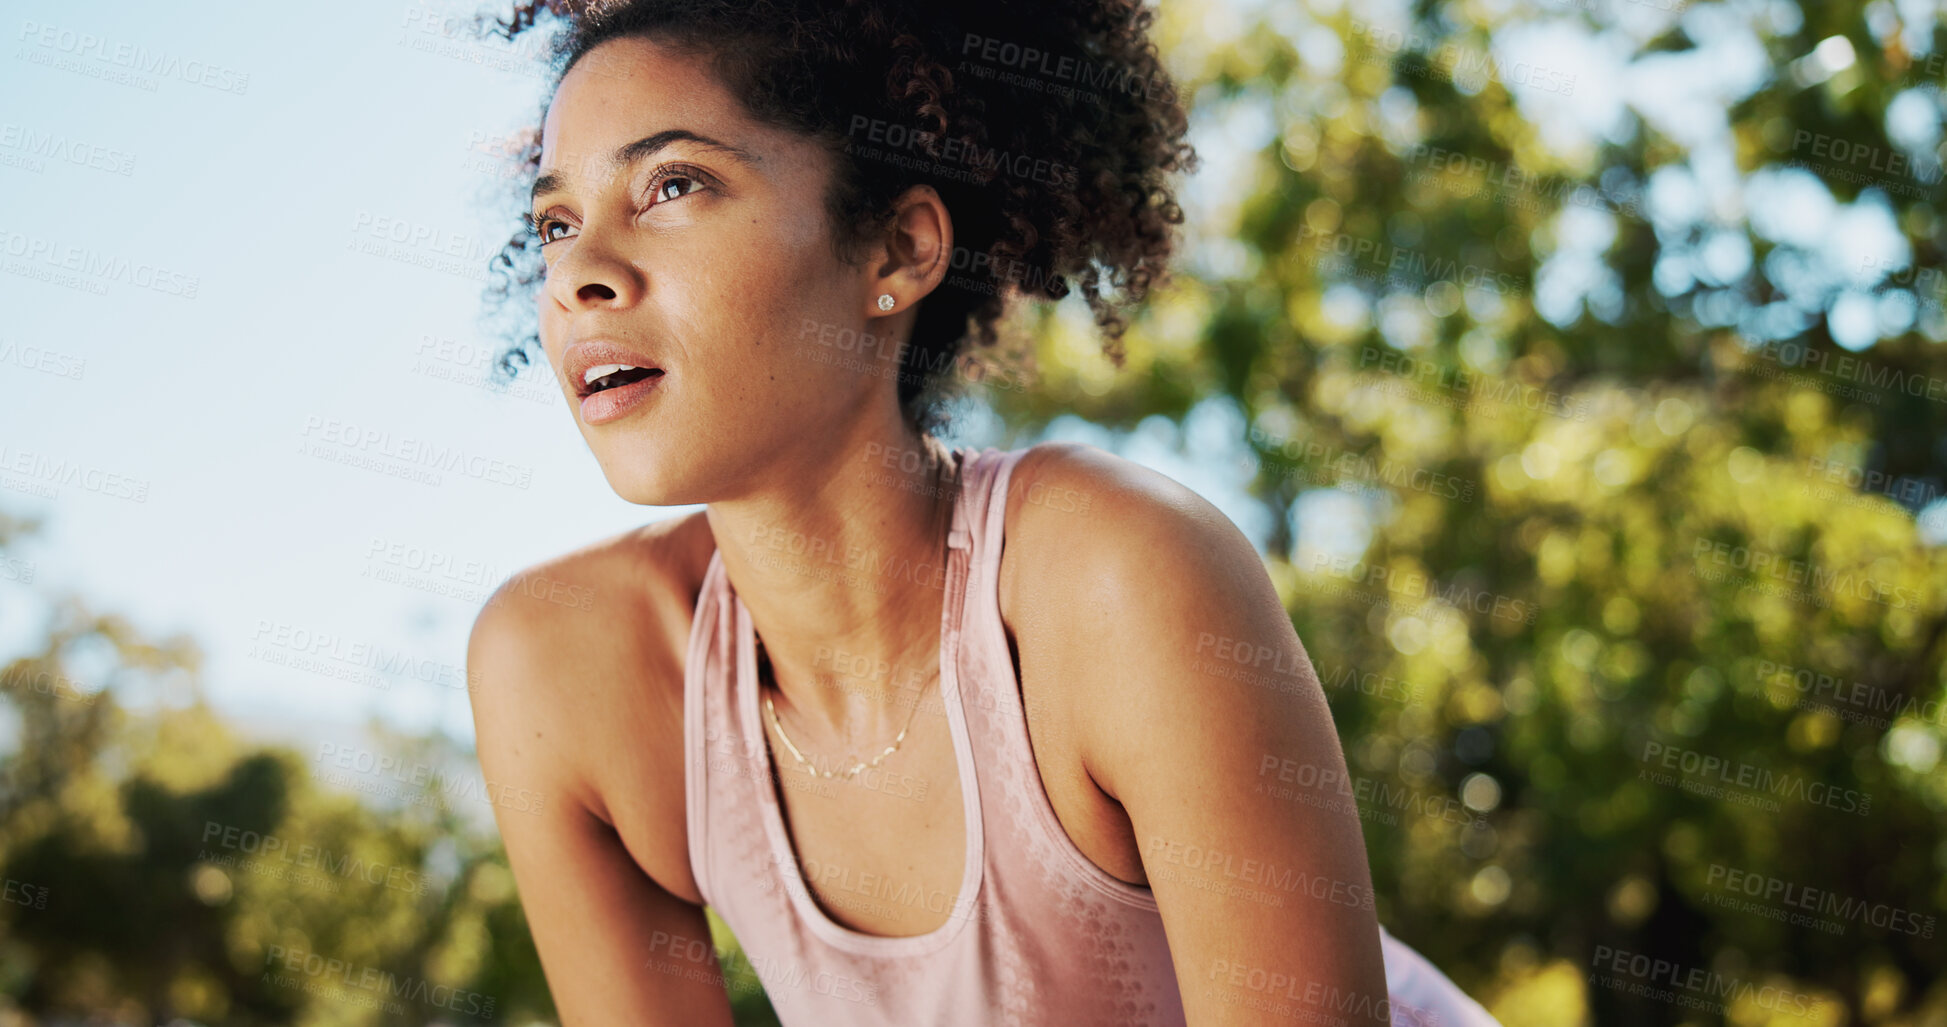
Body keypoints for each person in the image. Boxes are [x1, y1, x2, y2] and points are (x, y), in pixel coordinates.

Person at [465, 1, 1503, 1024]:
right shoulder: (568, 667)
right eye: (556, 222)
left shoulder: (1120, 577)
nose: (580, 277)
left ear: (898, 250)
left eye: (671, 185)